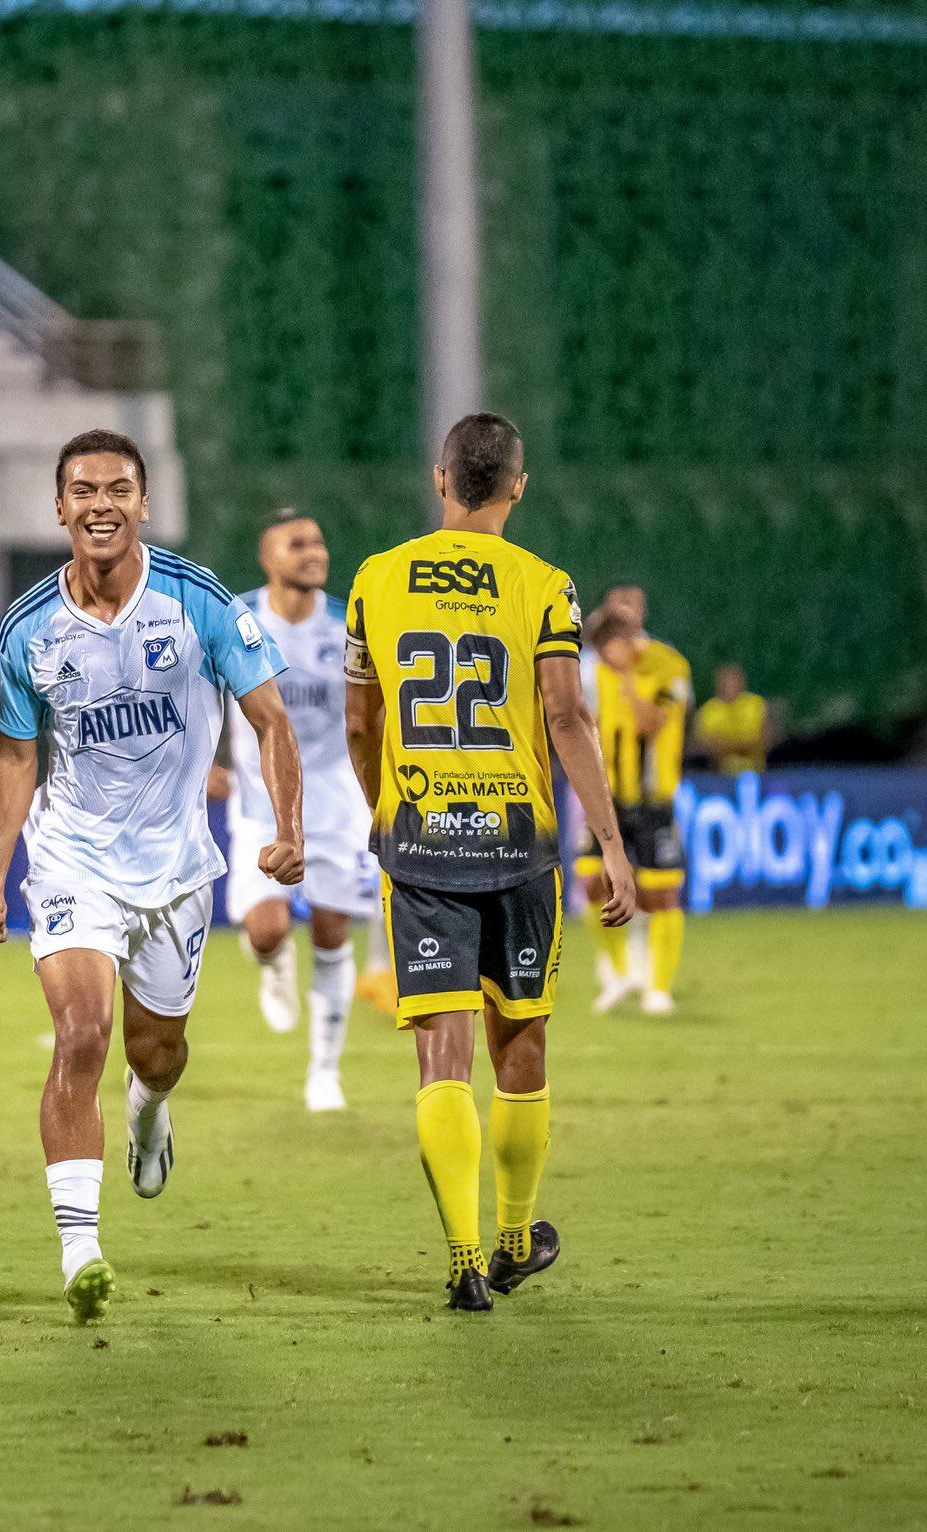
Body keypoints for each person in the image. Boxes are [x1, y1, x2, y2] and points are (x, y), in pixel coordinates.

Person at [0, 429, 304, 1323]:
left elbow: (271, 721)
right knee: (81, 1034)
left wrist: (287, 832)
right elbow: (13, 756)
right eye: (84, 490)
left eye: (119, 488)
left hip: (177, 866)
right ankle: (81, 1249)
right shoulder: (28, 626)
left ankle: (149, 1114)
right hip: (73, 857)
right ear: (59, 507)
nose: (101, 504)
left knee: (157, 1052)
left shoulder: (198, 603)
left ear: (144, 504)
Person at [344, 412, 634, 1312]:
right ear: (517, 485)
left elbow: (361, 723)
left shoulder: (376, 580)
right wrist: (611, 844)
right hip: (517, 843)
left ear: (440, 479)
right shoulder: (544, 586)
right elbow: (567, 718)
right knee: (523, 1041)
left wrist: (382, 808)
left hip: (423, 838)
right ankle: (514, 1236)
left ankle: (465, 1260)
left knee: (441, 1053)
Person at [212, 506, 378, 1111]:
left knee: (333, 931)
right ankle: (270, 959)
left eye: (318, 542)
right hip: (261, 796)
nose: (315, 552)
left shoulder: (347, 627)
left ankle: (324, 1072)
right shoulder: (237, 622)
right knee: (267, 928)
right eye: (298, 543)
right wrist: (203, 765)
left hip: (336, 798)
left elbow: (371, 712)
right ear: (267, 557)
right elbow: (194, 692)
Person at [578, 585, 692, 1014]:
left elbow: (652, 724)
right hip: (608, 798)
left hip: (653, 799)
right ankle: (620, 971)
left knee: (661, 894)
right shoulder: (597, 674)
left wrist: (627, 677)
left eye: (608, 645)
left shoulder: (669, 666)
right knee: (591, 880)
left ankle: (658, 988)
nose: (604, 655)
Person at [695, 662, 770, 775]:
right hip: (720, 776)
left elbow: (765, 739)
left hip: (755, 774)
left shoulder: (756, 704)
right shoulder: (709, 709)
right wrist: (742, 744)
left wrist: (727, 744)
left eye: (733, 681)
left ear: (742, 682)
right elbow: (707, 745)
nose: (729, 685)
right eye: (725, 681)